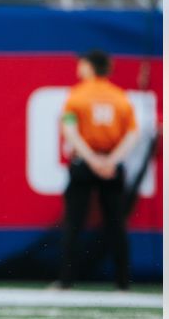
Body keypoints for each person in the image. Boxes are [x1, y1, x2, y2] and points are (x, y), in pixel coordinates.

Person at [55, 49, 141, 291]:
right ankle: (123, 281)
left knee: (73, 222)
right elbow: (133, 133)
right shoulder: (120, 97)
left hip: (85, 162)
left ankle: (66, 280)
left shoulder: (77, 96)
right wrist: (111, 160)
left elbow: (70, 130)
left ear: (89, 67)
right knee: (116, 224)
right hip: (111, 165)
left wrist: (91, 159)